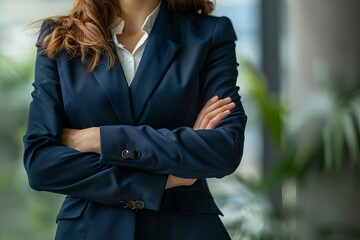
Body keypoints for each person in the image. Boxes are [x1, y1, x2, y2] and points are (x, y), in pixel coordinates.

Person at [23, 0, 247, 239]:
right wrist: (159, 181)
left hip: (184, 229)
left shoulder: (208, 34)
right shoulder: (60, 37)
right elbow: (41, 163)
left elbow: (223, 149)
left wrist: (99, 139)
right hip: (90, 230)